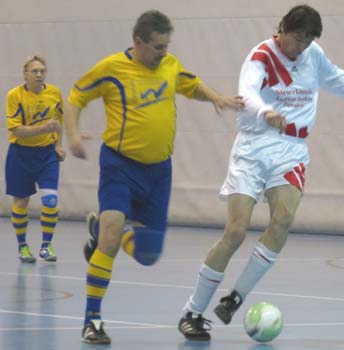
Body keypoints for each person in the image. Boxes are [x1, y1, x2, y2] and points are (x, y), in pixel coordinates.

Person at [178, 4, 344, 341]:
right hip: (254, 147)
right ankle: (193, 311)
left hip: (291, 151)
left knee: (282, 219)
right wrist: (266, 111)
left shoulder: (313, 55)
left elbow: (339, 80)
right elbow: (248, 92)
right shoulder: (261, 56)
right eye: (297, 39)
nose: (301, 48)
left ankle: (234, 297)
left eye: (308, 41)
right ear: (282, 28)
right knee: (236, 231)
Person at [64, 10, 244, 345]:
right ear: (138, 42)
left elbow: (191, 84)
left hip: (159, 172)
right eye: (158, 46)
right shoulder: (111, 69)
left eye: (166, 46)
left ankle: (98, 226)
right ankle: (93, 321)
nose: (163, 52)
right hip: (120, 166)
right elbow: (76, 97)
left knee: (148, 256)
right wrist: (72, 134)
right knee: (110, 239)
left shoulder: (169, 65)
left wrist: (217, 97)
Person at [5, 55, 65, 264]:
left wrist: (58, 144)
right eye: (34, 71)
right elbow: (17, 130)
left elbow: (58, 122)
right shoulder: (15, 96)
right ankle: (23, 246)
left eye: (42, 71)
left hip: (46, 154)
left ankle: (46, 245)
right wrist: (43, 128)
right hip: (21, 154)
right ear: (25, 74)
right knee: (21, 202)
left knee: (50, 200)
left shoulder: (54, 93)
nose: (39, 75)